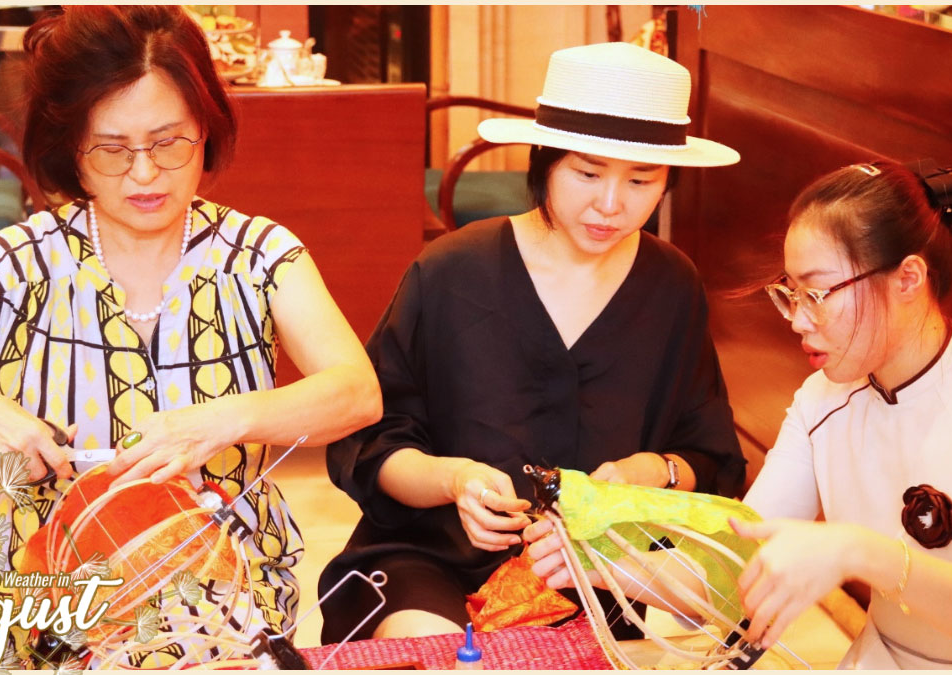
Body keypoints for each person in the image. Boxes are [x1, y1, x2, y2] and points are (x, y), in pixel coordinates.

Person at [0, 5, 380, 666]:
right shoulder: (17, 264)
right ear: (72, 153)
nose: (144, 174)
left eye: (169, 142)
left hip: (223, 597)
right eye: (112, 150)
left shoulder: (260, 254)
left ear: (206, 129)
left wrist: (222, 421)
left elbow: (357, 392)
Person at [526, 160, 952, 669]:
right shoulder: (822, 400)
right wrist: (606, 566)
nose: (798, 320)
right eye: (791, 293)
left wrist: (862, 552)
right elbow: (738, 568)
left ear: (908, 278)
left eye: (818, 292)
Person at [318, 41, 748, 644]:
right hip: (425, 558)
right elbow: (370, 443)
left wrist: (647, 471)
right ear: (544, 161)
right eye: (587, 173)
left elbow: (710, 461)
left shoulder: (672, 285)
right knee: (437, 654)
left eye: (641, 180)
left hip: (592, 577)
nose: (610, 205)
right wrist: (455, 481)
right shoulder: (453, 270)